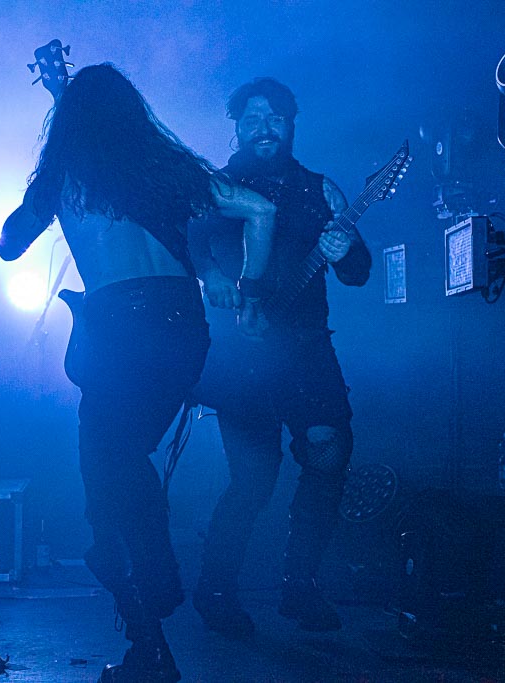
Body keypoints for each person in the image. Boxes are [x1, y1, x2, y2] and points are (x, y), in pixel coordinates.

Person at [0, 63, 275, 683]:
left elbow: (9, 245)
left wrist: (36, 206)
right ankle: (152, 631)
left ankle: (154, 603)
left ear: (68, 123)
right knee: (122, 464)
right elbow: (260, 210)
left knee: (108, 488)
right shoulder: (165, 168)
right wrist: (252, 291)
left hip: (119, 331)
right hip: (183, 329)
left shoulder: (64, 174)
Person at [188, 77, 371, 637]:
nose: (263, 128)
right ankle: (216, 590)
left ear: (291, 123)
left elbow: (358, 273)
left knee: (329, 455)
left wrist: (348, 250)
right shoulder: (218, 187)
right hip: (242, 355)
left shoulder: (322, 190)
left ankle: (300, 585)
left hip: (308, 350)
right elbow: (190, 242)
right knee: (253, 479)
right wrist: (213, 275)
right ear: (237, 127)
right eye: (252, 119)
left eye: (274, 118)